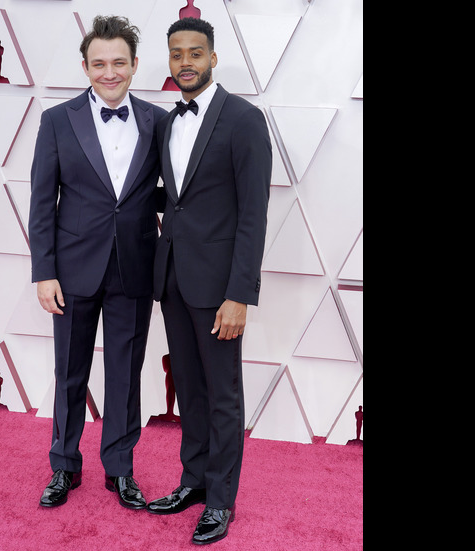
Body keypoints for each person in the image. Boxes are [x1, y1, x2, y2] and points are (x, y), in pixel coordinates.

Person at [28, 14, 168, 511]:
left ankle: (120, 469)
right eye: (99, 64)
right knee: (70, 372)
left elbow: (169, 193)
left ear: (134, 65)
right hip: (71, 269)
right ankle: (64, 465)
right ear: (85, 66)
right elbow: (42, 202)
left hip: (134, 265)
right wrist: (44, 271)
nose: (110, 73)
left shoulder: (158, 121)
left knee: (126, 373)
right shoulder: (56, 120)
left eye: (119, 63)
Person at [146, 17, 271, 545]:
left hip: (220, 288)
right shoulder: (166, 122)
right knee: (190, 390)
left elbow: (253, 214)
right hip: (173, 278)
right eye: (177, 54)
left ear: (213, 58)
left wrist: (240, 294)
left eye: (195, 53)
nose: (186, 63)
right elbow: (175, 198)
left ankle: (220, 499)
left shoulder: (244, 119)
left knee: (222, 395)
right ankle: (193, 482)